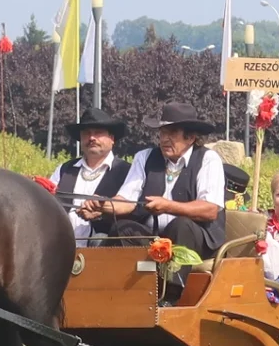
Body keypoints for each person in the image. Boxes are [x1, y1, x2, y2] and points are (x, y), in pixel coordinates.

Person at [79, 102, 226, 304]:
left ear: (191, 137)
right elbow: (126, 200)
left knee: (181, 225)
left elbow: (210, 210)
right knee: (121, 228)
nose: (165, 139)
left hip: (194, 240)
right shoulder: (145, 157)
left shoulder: (209, 160)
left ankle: (170, 298)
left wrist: (168, 206)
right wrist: (101, 207)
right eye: (162, 133)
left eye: (172, 133)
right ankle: (123, 293)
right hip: (154, 238)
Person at [48, 107, 131, 245]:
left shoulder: (127, 172)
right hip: (61, 248)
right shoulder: (64, 170)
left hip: (106, 253)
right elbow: (48, 203)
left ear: (112, 138)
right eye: (86, 133)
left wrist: (102, 213)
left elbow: (134, 210)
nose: (91, 138)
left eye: (98, 133)